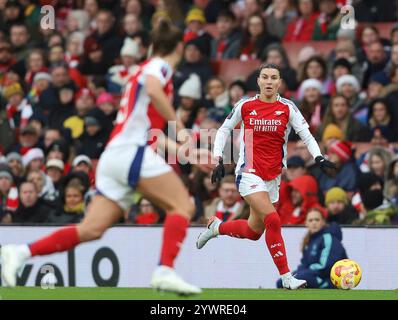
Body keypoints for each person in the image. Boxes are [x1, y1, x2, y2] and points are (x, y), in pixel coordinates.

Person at [1, 21, 212, 295]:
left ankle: (20, 252)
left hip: (115, 156)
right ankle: (165, 270)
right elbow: (153, 88)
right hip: (129, 153)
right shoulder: (158, 67)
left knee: (91, 229)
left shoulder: (140, 73)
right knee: (182, 206)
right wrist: (184, 135)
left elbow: (153, 135)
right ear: (180, 47)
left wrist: (188, 152)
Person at [196, 63, 337, 289]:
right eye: (265, 77)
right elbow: (223, 130)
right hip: (248, 172)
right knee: (273, 219)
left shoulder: (288, 108)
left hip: (273, 177)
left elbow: (306, 134)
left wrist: (318, 157)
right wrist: (218, 158)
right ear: (259, 81)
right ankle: (287, 277)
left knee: (254, 232)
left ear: (279, 82)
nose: (269, 81)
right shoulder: (245, 105)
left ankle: (217, 228)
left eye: (274, 77)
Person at [277, 208, 348, 289]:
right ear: (306, 223)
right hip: (312, 274)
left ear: (323, 222)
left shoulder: (328, 237)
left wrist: (303, 272)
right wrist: (297, 273)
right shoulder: (309, 241)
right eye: (310, 220)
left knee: (301, 277)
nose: (314, 222)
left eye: (317, 220)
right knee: (282, 282)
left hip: (328, 279)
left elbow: (326, 266)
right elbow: (305, 263)